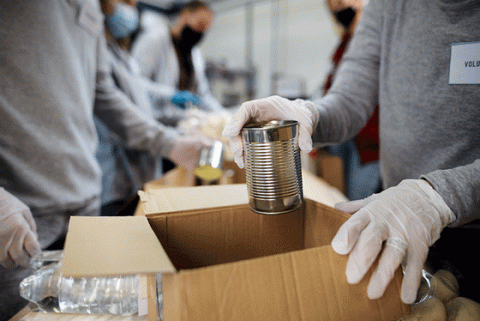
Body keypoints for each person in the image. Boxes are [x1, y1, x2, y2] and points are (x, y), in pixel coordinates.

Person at [223, 0, 480, 305]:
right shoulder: (387, 7)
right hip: (394, 212)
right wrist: (309, 114)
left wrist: (439, 196)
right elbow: (349, 100)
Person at [0, 1, 211, 319]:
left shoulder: (91, 8)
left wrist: (171, 144)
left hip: (85, 198)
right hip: (20, 214)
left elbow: (103, 93)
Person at [320, 0, 381, 200]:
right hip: (347, 137)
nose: (337, 7)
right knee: (339, 196)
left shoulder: (376, 38)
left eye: (340, 1)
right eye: (331, 4)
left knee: (359, 198)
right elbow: (335, 89)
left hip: (371, 141)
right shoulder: (345, 41)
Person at [131, 0, 224, 115]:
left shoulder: (195, 54)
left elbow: (203, 95)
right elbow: (134, 82)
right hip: (153, 117)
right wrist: (171, 95)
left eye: (205, 28)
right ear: (184, 15)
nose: (201, 31)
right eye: (200, 24)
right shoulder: (154, 40)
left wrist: (225, 116)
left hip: (183, 121)